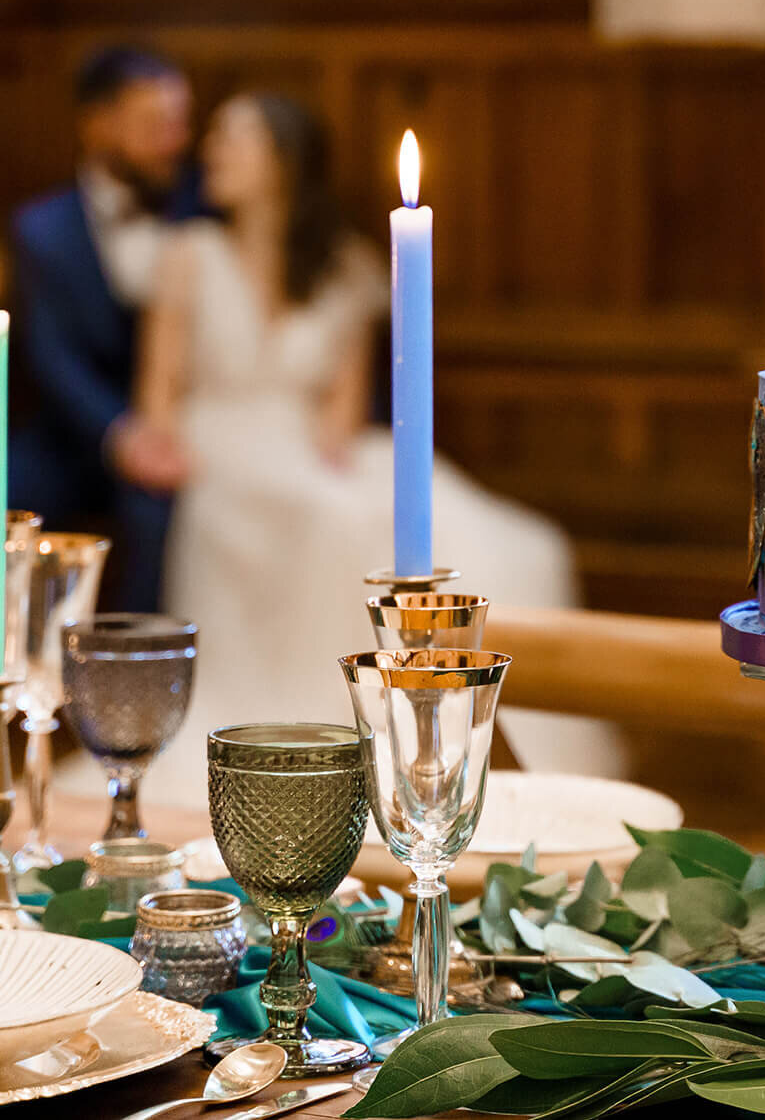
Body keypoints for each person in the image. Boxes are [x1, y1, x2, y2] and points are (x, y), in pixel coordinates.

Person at [83, 93, 578, 808]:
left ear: (283, 159)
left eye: (234, 137)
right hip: (215, 441)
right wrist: (163, 445)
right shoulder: (188, 253)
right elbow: (157, 392)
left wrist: (325, 456)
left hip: (307, 444)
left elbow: (344, 408)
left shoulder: (342, 265)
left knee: (512, 541)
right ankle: (345, 726)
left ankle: (470, 743)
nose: (214, 150)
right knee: (332, 519)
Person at [6, 46, 206, 611]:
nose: (175, 140)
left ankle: (136, 689)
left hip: (184, 431)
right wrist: (119, 435)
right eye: (154, 124)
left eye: (180, 122)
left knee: (164, 513)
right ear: (97, 125)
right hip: (77, 434)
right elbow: (51, 356)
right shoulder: (41, 229)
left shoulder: (209, 208)